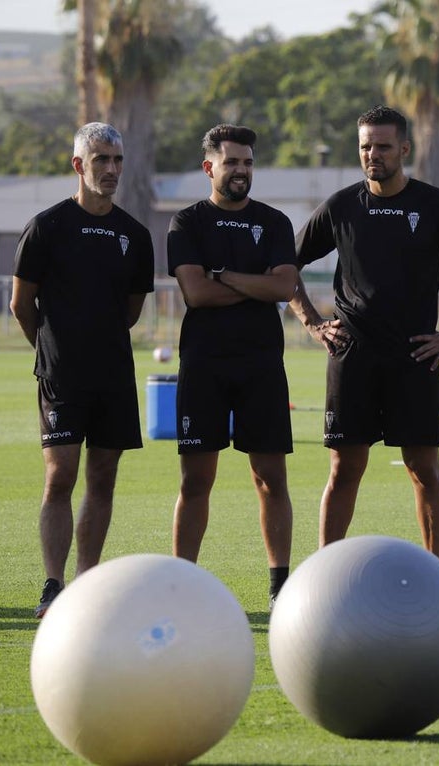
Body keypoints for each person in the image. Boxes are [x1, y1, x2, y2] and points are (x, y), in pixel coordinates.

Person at [287, 105, 439, 563]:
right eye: (366, 146)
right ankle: (325, 572)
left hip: (415, 357)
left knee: (423, 469)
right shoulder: (341, 206)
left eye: (383, 146)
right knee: (344, 469)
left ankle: (437, 574)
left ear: (404, 149)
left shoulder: (435, 205)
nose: (373, 155)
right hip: (352, 355)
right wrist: (311, 323)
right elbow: (287, 268)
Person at [11, 122, 155, 618]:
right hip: (62, 376)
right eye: (102, 161)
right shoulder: (47, 227)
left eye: (117, 161)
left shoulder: (134, 235)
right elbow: (20, 304)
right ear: (79, 165)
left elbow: (132, 311)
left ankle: (86, 585)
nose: (112, 170)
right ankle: (52, 585)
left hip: (113, 374)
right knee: (59, 478)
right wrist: (51, 349)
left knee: (104, 478)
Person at [166, 124, 298, 607]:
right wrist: (251, 283)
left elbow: (284, 287)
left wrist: (221, 274)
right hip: (203, 367)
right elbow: (195, 294)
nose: (241, 171)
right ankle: (181, 582)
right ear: (210, 168)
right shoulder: (187, 223)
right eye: (231, 162)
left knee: (270, 478)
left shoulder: (275, 222)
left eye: (247, 162)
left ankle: (280, 583)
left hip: (262, 366)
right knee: (195, 480)